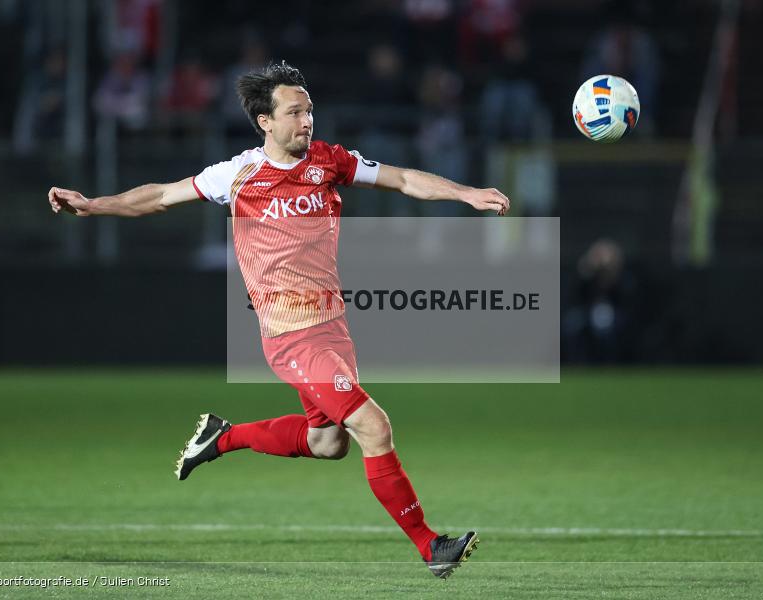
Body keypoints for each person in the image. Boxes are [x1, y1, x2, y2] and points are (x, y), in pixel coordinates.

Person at [47, 61, 509, 579]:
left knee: (327, 443)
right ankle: (431, 547)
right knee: (373, 427)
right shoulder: (238, 174)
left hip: (334, 327)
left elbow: (401, 179)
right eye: (295, 112)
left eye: (309, 110)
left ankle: (221, 437)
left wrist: (465, 193)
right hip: (291, 337)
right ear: (265, 122)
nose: (307, 120)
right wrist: (93, 206)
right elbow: (158, 196)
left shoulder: (330, 161)